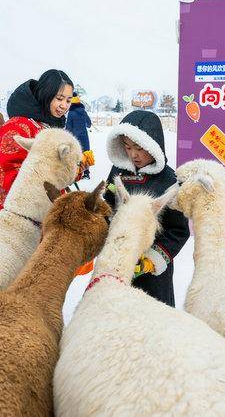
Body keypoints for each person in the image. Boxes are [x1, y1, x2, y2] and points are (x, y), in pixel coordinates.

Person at [103, 110, 190, 307]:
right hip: (118, 260)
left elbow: (178, 230)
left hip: (151, 271)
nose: (133, 154)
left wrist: (154, 259)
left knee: (152, 317)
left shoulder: (169, 181)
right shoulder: (118, 172)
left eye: (139, 148)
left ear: (154, 145)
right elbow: (107, 207)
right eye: (126, 147)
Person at [0, 69, 74, 221]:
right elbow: (12, 178)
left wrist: (72, 169)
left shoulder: (47, 125)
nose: (64, 106)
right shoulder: (17, 126)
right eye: (59, 98)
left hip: (41, 213)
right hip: (14, 219)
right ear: (45, 95)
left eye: (68, 100)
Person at [64, 92, 92, 179]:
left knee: (75, 154)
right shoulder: (83, 112)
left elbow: (68, 127)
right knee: (86, 154)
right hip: (84, 137)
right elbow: (89, 124)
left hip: (75, 137)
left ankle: (76, 173)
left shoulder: (71, 113)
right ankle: (86, 173)